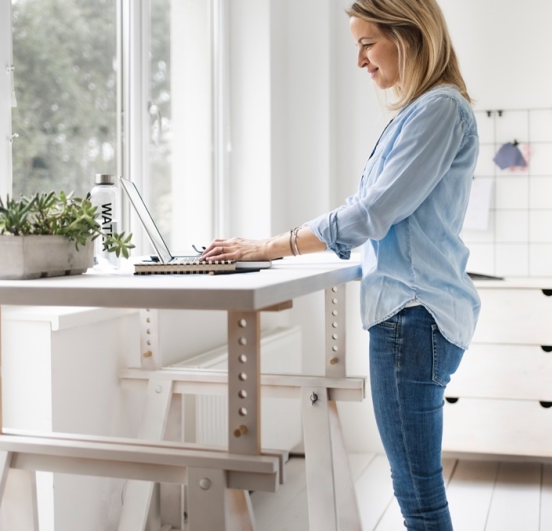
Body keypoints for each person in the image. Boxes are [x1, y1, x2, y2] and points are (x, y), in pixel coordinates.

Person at [202, 0, 478, 528]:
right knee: (415, 487)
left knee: (417, 494)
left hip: (412, 317)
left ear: (411, 35)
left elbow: (371, 213)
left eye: (367, 43)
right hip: (412, 316)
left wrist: (269, 246)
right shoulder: (423, 111)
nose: (361, 61)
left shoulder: (438, 110)